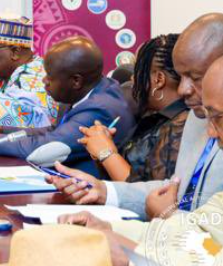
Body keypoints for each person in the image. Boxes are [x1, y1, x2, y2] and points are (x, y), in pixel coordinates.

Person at [60, 43, 223, 266]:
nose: (211, 131)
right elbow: (204, 230)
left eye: (218, 117)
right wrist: (111, 229)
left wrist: (134, 256)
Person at [47, 14, 223, 219]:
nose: (183, 89)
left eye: (195, 77)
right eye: (181, 76)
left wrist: (169, 216)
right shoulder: (197, 118)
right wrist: (102, 190)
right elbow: (173, 188)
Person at [0, 37, 136, 176]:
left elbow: (42, 150)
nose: (44, 81)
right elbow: (53, 131)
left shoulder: (100, 109)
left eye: (50, 76)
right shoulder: (86, 90)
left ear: (76, 81)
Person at [76, 34, 188, 183]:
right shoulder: (151, 118)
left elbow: (147, 192)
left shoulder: (180, 126)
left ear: (159, 79)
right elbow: (117, 182)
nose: (132, 78)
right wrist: (100, 149)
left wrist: (106, 152)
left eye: (138, 71)